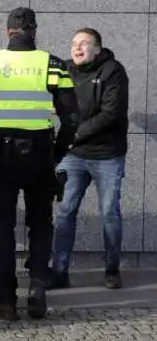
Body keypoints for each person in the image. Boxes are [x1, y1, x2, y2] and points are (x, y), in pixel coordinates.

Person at [0, 7, 78, 321]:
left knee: (2, 227)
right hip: (41, 152)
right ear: (35, 32)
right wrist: (57, 152)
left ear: (8, 32)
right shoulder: (52, 64)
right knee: (41, 223)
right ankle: (38, 286)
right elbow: (72, 119)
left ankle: (5, 301)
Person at [49, 28, 128, 290]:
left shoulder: (113, 71)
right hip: (74, 156)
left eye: (84, 43)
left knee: (109, 213)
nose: (77, 47)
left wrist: (75, 133)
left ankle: (111, 269)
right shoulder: (66, 70)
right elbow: (53, 100)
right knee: (65, 212)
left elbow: (111, 113)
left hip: (107, 155)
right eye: (74, 43)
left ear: (97, 48)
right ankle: (59, 272)